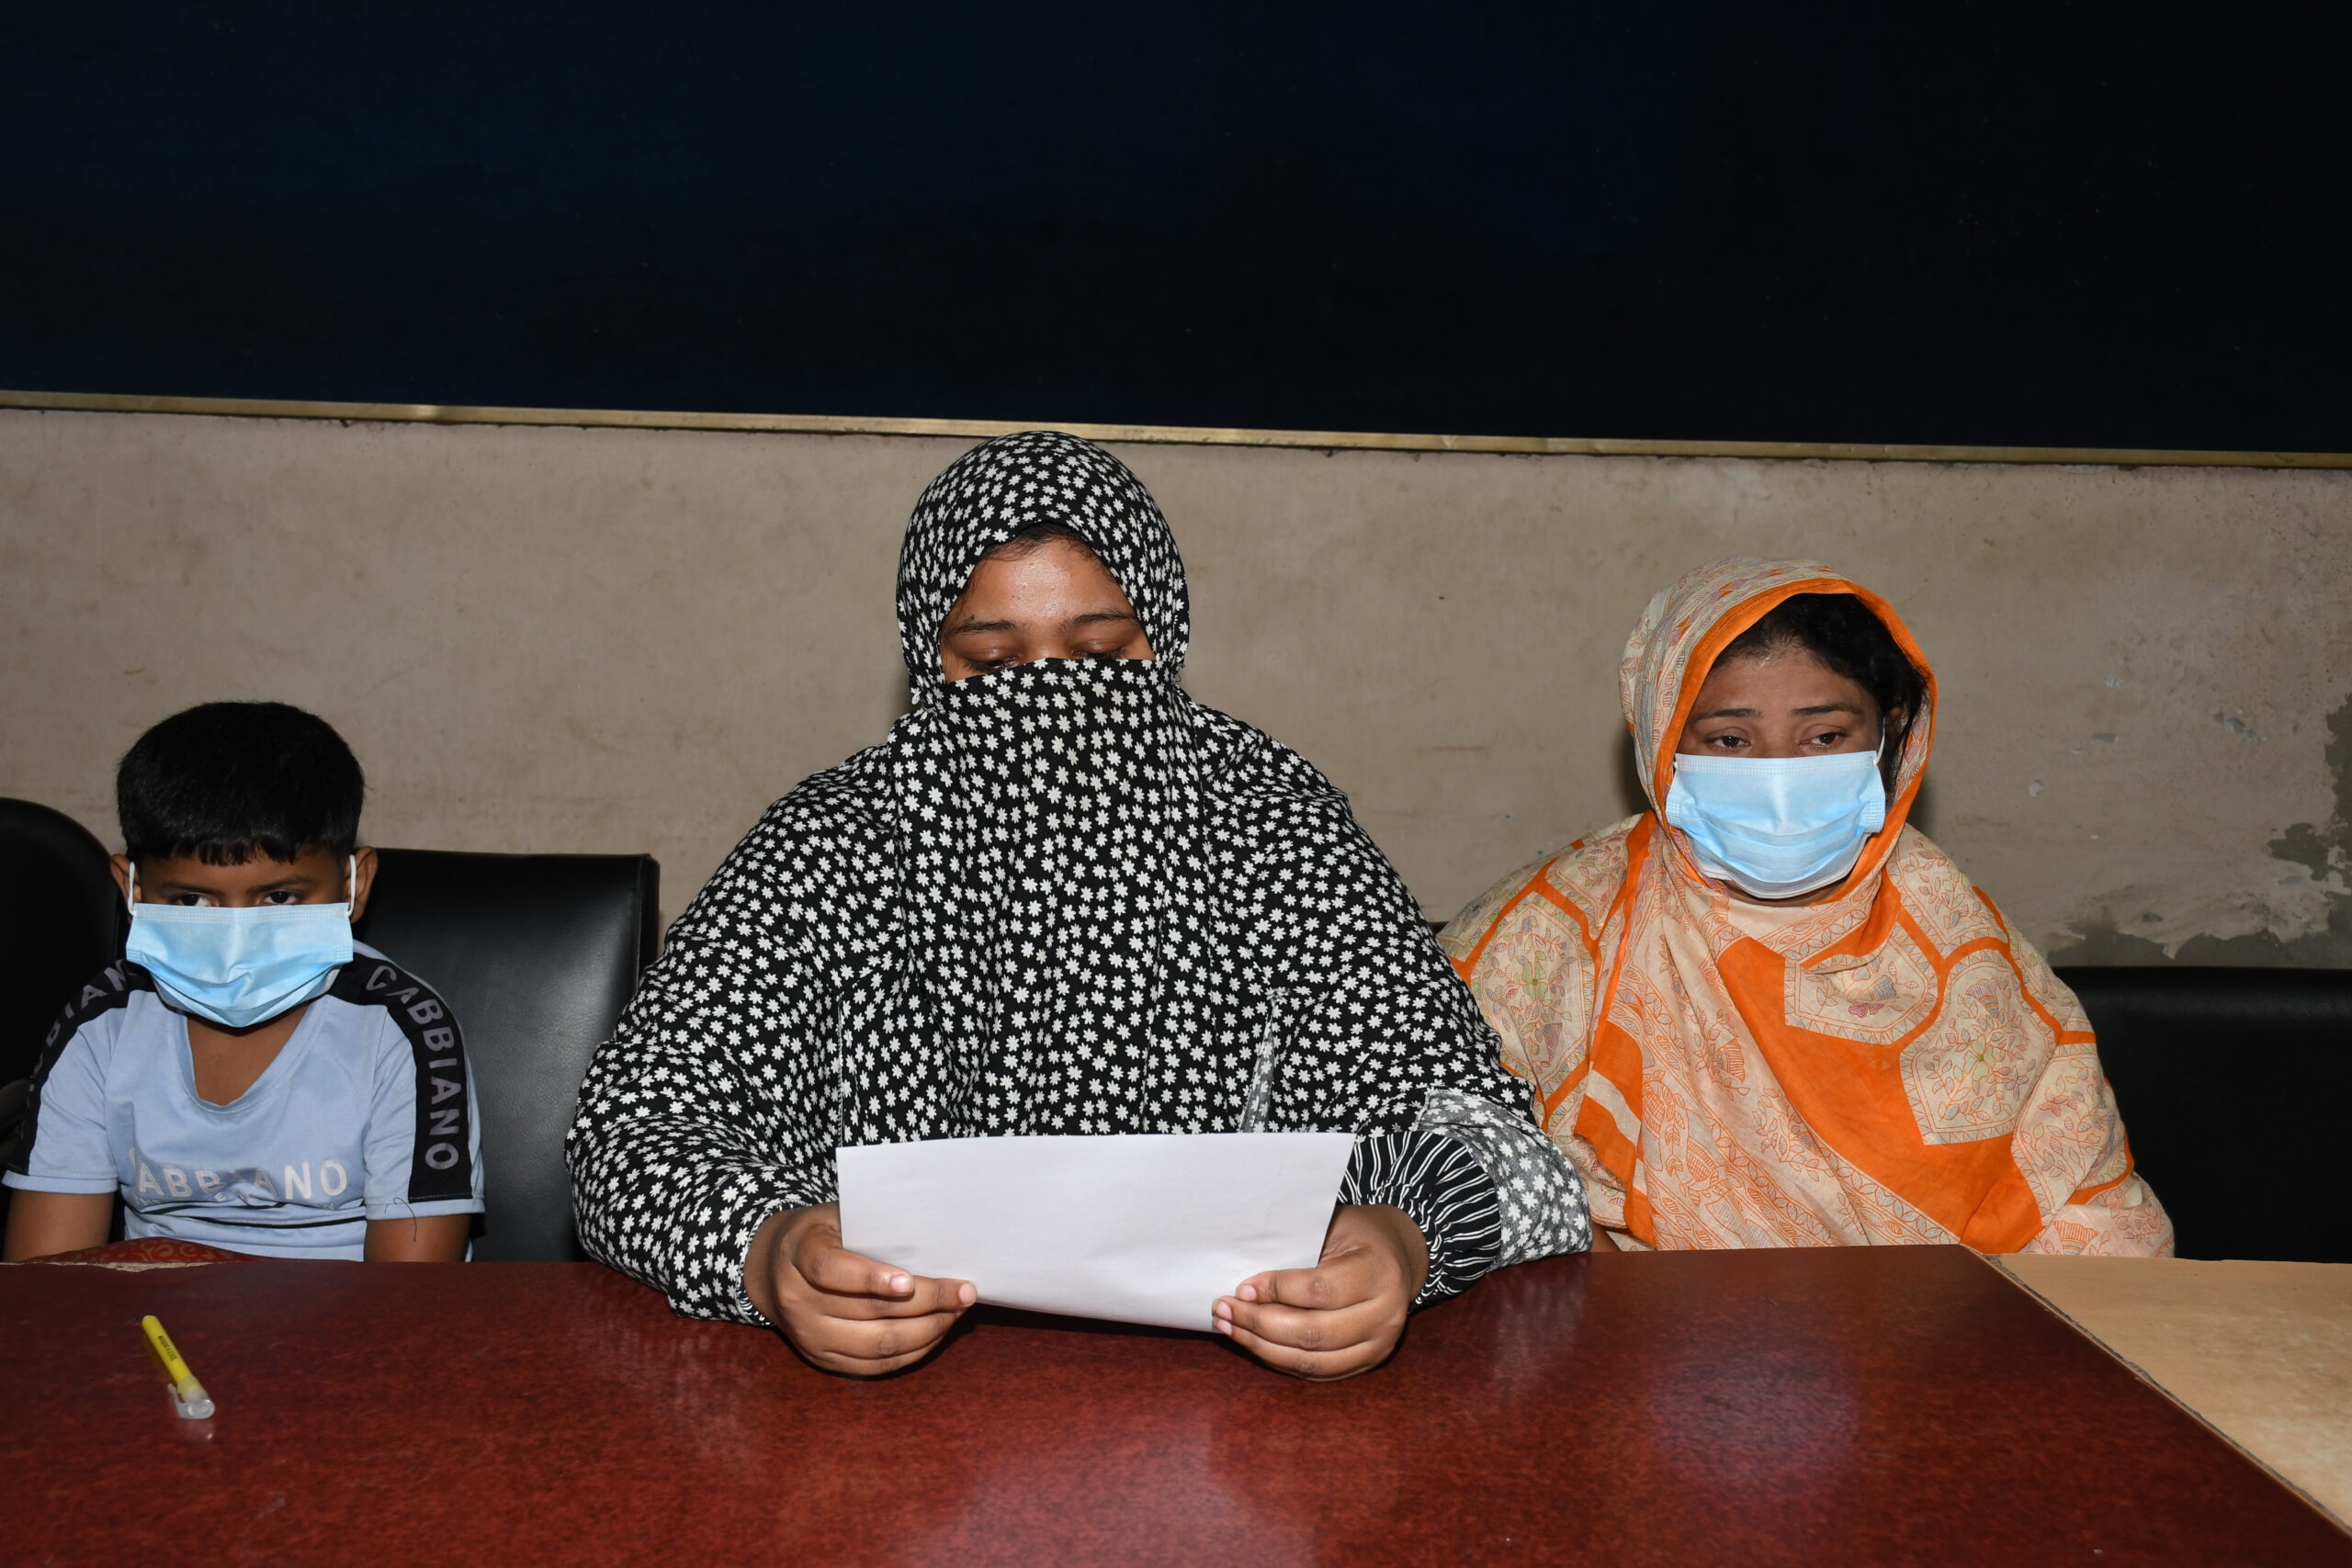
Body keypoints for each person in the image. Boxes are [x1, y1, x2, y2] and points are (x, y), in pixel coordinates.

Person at [569, 430, 1589, 1380]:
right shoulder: (834, 846)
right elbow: (633, 1128)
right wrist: (770, 1252)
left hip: (1241, 1419)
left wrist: (1401, 1242)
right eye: (993, 663)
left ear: (1163, 638)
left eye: (1099, 656)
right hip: (887, 1430)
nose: (1051, 697)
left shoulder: (1274, 830)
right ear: (928, 657)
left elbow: (1502, 1150)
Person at [1442, 558, 2170, 1256]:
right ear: (1663, 742)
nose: (1780, 779)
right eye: (1730, 740)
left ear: (1889, 736)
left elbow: (2089, 1213)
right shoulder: (1548, 936)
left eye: (1824, 737)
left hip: (1942, 1332)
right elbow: (1440, 1156)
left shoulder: (1961, 943)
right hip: (1632, 1330)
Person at [3, 703, 482, 1262]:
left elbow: (412, 1295)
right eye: (191, 900)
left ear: (355, 884)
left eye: (279, 897)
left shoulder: (402, 1032)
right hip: (150, 1311)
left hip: (356, 1314)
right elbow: (47, 1280)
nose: (234, 940)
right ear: (131, 890)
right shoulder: (101, 1026)